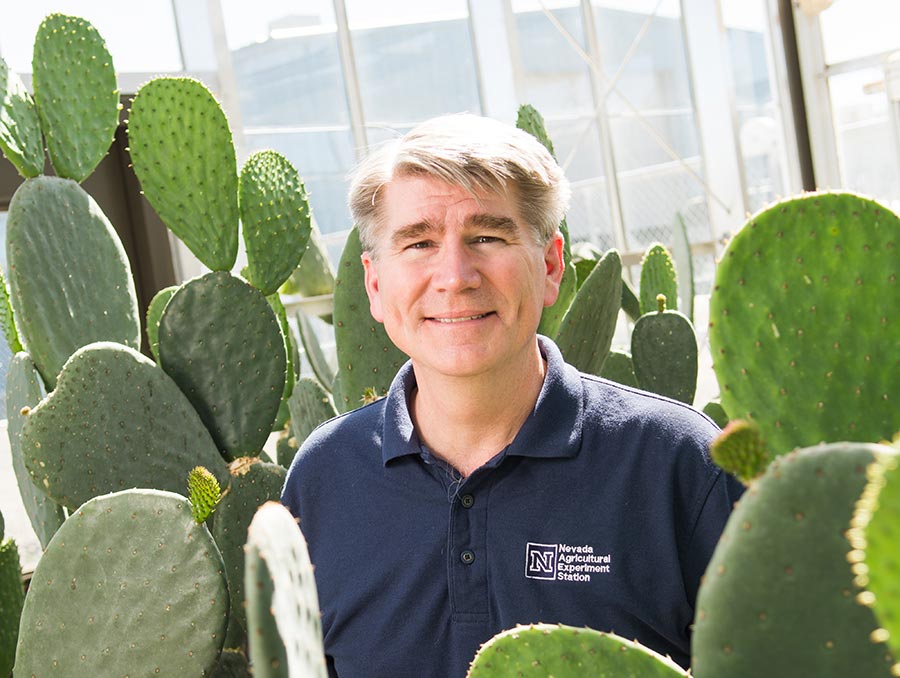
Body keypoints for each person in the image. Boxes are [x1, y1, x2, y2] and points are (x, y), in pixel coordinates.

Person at [281, 113, 744, 677]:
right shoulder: (324, 478)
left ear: (550, 266)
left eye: (487, 237)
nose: (455, 275)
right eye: (419, 243)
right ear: (375, 286)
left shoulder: (679, 462)